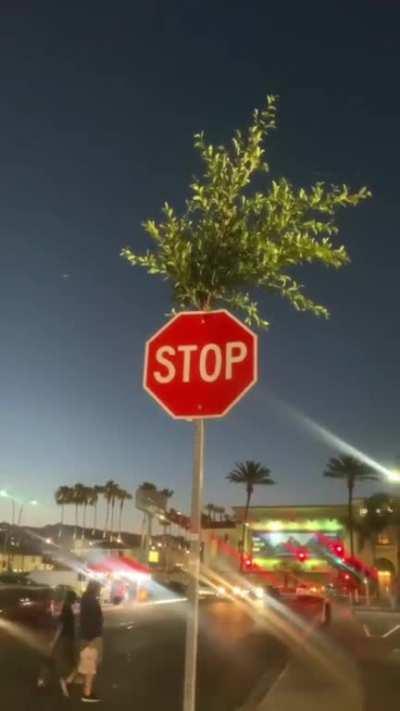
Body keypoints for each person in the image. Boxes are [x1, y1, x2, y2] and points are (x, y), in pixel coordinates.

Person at [66, 580, 103, 703]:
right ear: (95, 588)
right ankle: (87, 694)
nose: (101, 590)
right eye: (99, 588)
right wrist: (91, 641)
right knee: (90, 667)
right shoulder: (91, 601)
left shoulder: (84, 599)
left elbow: (79, 618)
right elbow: (90, 622)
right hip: (91, 637)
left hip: (86, 636)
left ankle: (69, 681)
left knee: (86, 664)